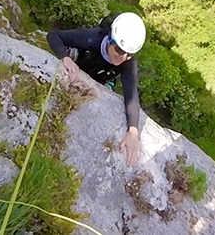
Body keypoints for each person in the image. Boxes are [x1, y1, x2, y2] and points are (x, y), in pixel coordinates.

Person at [46, 12, 146, 166]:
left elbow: (131, 95)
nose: (123, 56)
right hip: (80, 64)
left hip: (101, 79)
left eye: (130, 53)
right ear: (111, 40)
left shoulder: (128, 63)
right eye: (119, 50)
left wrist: (133, 131)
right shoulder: (92, 38)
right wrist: (65, 57)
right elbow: (54, 36)